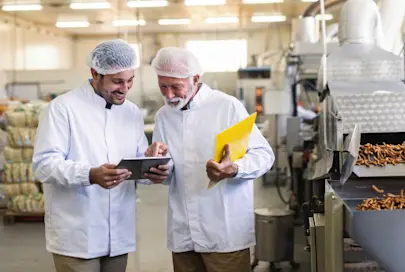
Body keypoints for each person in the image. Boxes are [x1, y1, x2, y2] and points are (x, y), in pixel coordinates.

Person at [32, 39, 169, 272]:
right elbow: (43, 165)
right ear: (95, 73)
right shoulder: (63, 108)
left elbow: (133, 166)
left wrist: (151, 167)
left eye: (129, 81)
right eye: (117, 81)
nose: (125, 89)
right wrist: (90, 175)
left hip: (118, 234)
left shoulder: (131, 112)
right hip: (77, 236)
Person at [146, 47, 275, 272]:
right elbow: (169, 173)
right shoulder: (164, 116)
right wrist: (158, 168)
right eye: (162, 86)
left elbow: (264, 155)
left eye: (175, 86)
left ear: (195, 79)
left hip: (223, 233)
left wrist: (234, 168)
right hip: (183, 233)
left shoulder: (226, 107)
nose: (168, 95)